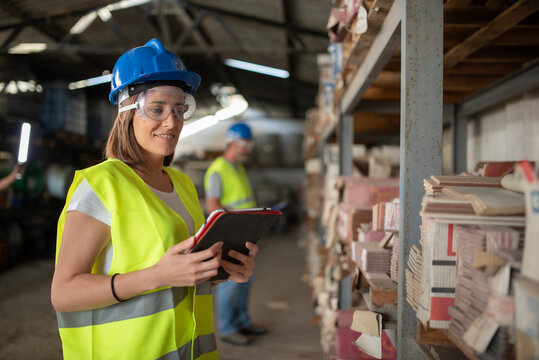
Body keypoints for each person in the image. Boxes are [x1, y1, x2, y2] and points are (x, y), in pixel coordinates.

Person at [50, 38, 259, 360]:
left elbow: (180, 275)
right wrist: (158, 276)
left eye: (180, 108)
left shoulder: (183, 183)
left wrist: (221, 271)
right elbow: (63, 293)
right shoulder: (102, 184)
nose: (172, 121)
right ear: (126, 112)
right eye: (156, 109)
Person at [204, 123, 268, 346]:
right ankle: (228, 329)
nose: (248, 149)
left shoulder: (237, 167)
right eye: (245, 145)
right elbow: (213, 206)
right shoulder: (217, 169)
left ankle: (242, 321)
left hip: (245, 235)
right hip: (230, 236)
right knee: (229, 283)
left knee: (244, 280)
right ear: (233, 143)